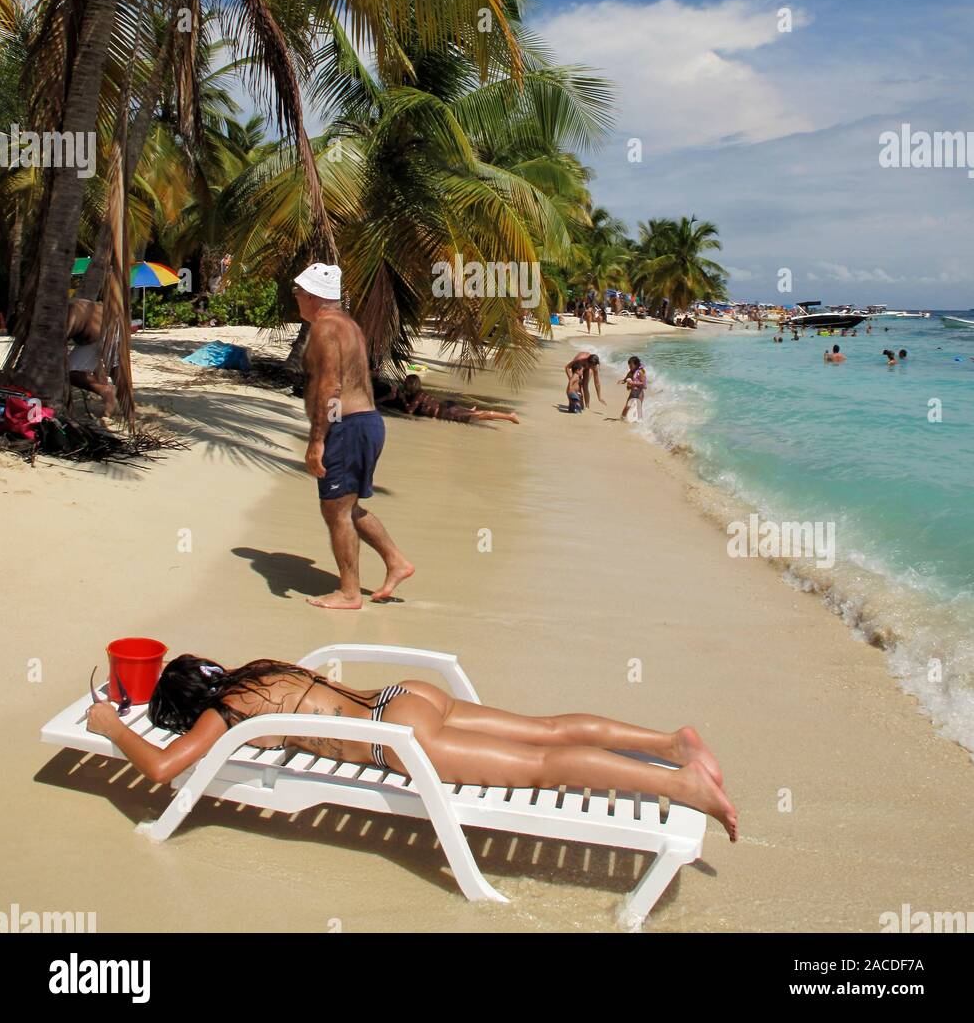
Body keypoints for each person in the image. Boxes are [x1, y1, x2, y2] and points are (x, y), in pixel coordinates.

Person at [84, 653, 738, 840]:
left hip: (394, 741)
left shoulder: (226, 712)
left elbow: (166, 768)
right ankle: (669, 742)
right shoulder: (261, 671)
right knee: (544, 730)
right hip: (406, 694)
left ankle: (679, 786)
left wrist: (113, 728)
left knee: (542, 766)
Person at [295, 262, 413, 610]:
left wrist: (318, 439)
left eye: (300, 291)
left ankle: (349, 593)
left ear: (314, 295)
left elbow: (331, 386)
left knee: (337, 512)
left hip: (347, 427)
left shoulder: (325, 328)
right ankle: (396, 561)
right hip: (365, 423)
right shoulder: (348, 325)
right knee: (346, 506)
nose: (297, 297)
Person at [65, 297, 117, 416]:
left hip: (100, 329)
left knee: (70, 372)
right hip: (97, 328)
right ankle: (110, 396)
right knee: (76, 370)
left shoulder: (66, 313)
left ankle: (106, 392)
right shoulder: (73, 308)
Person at [397, 374, 519, 425]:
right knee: (475, 413)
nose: (404, 385)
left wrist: (402, 399)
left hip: (448, 412)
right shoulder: (421, 393)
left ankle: (509, 416)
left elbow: (409, 411)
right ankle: (468, 409)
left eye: (406, 383)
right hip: (448, 406)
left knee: (481, 415)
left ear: (410, 385)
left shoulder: (418, 396)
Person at [619, 356, 647, 421]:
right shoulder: (631, 372)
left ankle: (639, 421)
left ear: (636, 365)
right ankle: (622, 418)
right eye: (629, 366)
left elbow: (643, 384)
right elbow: (626, 379)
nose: (629, 367)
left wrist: (633, 383)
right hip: (633, 392)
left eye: (631, 366)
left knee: (638, 407)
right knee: (627, 406)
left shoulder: (640, 372)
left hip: (640, 393)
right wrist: (622, 381)